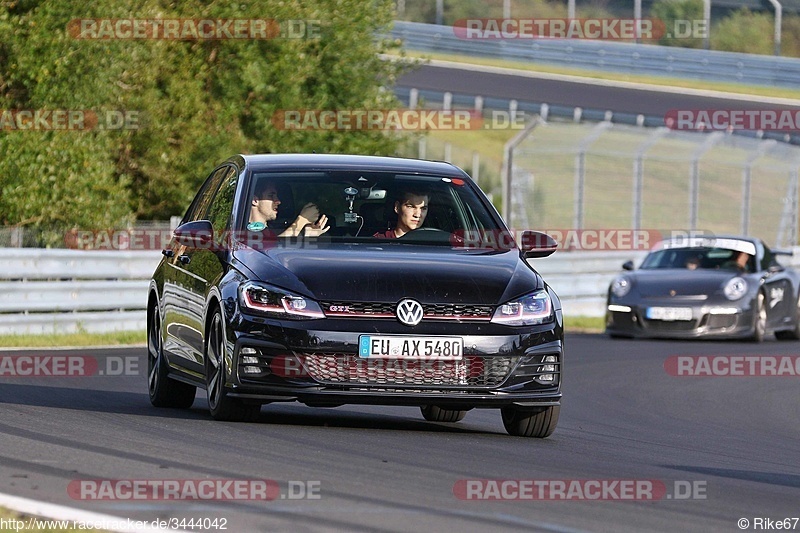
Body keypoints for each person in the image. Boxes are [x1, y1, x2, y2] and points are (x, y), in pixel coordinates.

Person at [248, 180, 329, 237]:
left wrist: (308, 236)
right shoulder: (242, 233)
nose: (278, 201)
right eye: (271, 196)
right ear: (255, 200)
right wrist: (302, 220)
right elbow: (271, 249)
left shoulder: (270, 232)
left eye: (276, 196)